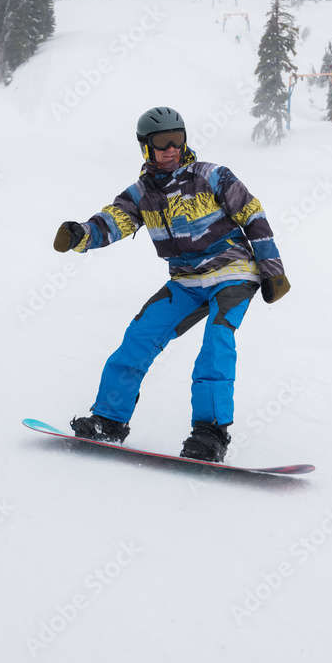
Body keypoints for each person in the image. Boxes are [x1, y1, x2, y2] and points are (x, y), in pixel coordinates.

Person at [53, 106, 290, 463]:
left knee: (217, 338)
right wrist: (81, 234)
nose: (170, 148)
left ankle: (209, 433)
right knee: (139, 336)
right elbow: (112, 221)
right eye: (161, 142)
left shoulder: (212, 176)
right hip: (186, 280)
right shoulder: (141, 194)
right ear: (145, 147)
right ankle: (109, 420)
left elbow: (253, 216)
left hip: (233, 271)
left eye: (177, 140)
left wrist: (273, 270)